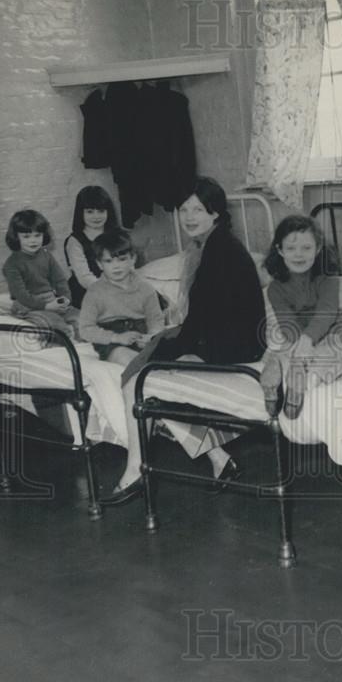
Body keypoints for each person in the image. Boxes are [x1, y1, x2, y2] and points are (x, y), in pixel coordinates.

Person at [102, 176, 267, 505]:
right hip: (229, 339)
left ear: (215, 213)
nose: (189, 216)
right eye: (184, 209)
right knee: (154, 376)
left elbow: (201, 322)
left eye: (199, 209)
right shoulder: (210, 246)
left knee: (136, 381)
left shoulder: (219, 251)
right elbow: (204, 317)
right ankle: (220, 459)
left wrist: (166, 347)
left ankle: (136, 470)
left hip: (232, 346)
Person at [260, 215, 342, 419]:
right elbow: (287, 323)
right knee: (332, 353)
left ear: (318, 248)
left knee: (331, 350)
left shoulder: (328, 279)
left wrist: (306, 340)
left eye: (306, 248)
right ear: (279, 250)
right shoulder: (275, 289)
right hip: (304, 336)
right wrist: (302, 344)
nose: (299, 255)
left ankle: (293, 373)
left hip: (325, 332)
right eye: (291, 249)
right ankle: (293, 377)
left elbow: (327, 313)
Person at [78, 229, 165, 366]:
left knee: (172, 350)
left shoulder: (145, 288)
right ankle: (147, 375)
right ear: (100, 264)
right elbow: (85, 329)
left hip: (141, 335)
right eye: (108, 261)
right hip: (111, 340)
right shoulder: (94, 292)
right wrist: (116, 337)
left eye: (122, 259)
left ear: (133, 259)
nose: (116, 266)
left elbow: (156, 319)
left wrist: (151, 336)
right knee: (125, 357)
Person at [1, 209, 79, 339]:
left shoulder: (46, 256)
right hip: (27, 306)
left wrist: (65, 298)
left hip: (50, 299)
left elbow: (60, 281)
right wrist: (47, 306)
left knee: (80, 318)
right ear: (16, 237)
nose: (33, 240)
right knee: (54, 324)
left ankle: (88, 347)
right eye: (26, 236)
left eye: (37, 235)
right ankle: (67, 348)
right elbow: (21, 295)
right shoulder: (12, 264)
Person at [64, 186, 121, 308]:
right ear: (80, 213)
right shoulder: (74, 241)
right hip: (88, 289)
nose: (96, 216)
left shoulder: (117, 235)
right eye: (90, 211)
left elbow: (126, 265)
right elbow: (84, 277)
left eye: (101, 211)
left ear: (108, 212)